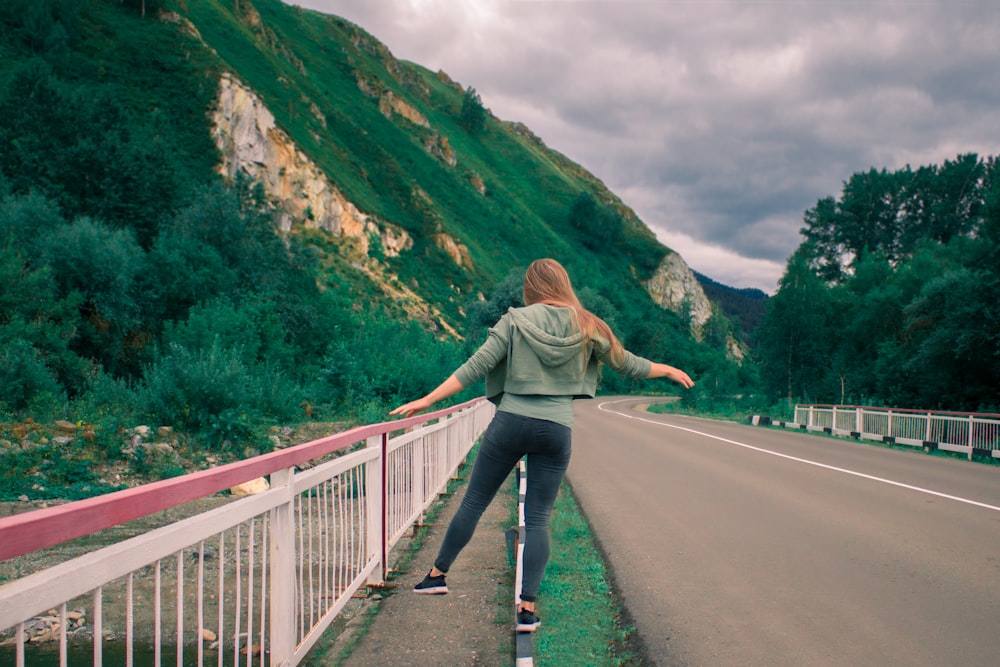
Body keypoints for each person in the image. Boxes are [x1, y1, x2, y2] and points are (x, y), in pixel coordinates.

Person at [390, 258, 694, 633]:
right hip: (556, 428)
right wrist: (666, 370)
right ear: (563, 284)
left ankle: (437, 576)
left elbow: (476, 366)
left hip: (510, 422)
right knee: (538, 520)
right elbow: (628, 364)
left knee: (474, 501)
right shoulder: (588, 324)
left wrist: (427, 400)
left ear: (531, 287)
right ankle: (527, 610)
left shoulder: (514, 320)